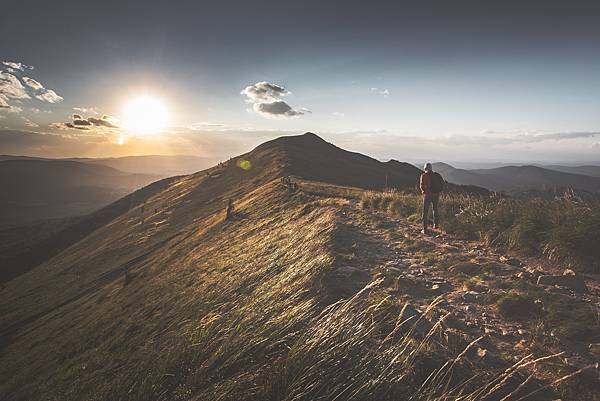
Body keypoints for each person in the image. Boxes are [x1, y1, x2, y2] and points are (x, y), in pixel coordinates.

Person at [419, 163, 444, 234]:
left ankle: (425, 229)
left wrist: (424, 192)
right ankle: (436, 225)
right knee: (435, 209)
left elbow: (422, 186)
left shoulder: (424, 175)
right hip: (436, 195)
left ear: (425, 168)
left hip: (428, 196)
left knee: (425, 212)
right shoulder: (436, 175)